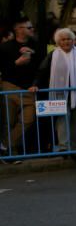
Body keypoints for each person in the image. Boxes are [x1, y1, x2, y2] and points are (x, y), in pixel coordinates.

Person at [32, 28, 76, 156]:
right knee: (62, 118)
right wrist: (35, 85)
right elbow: (42, 71)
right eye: (63, 39)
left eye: (69, 39)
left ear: (73, 40)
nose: (66, 41)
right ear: (58, 42)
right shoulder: (52, 55)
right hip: (60, 93)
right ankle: (64, 147)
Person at [0, 18, 45, 158]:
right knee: (10, 120)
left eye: (31, 27)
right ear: (18, 29)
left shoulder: (36, 45)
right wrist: (16, 63)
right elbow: (2, 70)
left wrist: (33, 53)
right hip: (10, 86)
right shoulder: (5, 47)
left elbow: (42, 66)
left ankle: (5, 144)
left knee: (29, 118)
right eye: (27, 27)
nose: (31, 30)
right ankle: (11, 153)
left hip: (30, 88)